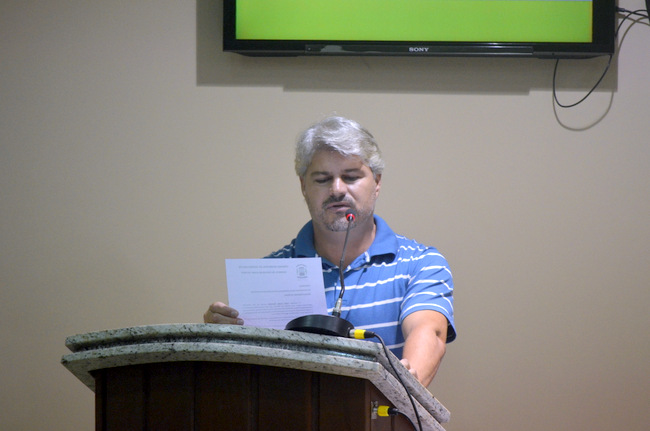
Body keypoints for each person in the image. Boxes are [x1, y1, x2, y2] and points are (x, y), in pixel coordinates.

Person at [204, 116, 455, 386]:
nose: (337, 189)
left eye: (351, 177)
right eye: (323, 179)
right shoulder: (270, 274)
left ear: (377, 182)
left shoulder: (420, 263)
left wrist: (408, 382)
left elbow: (429, 332)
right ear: (303, 186)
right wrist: (220, 342)